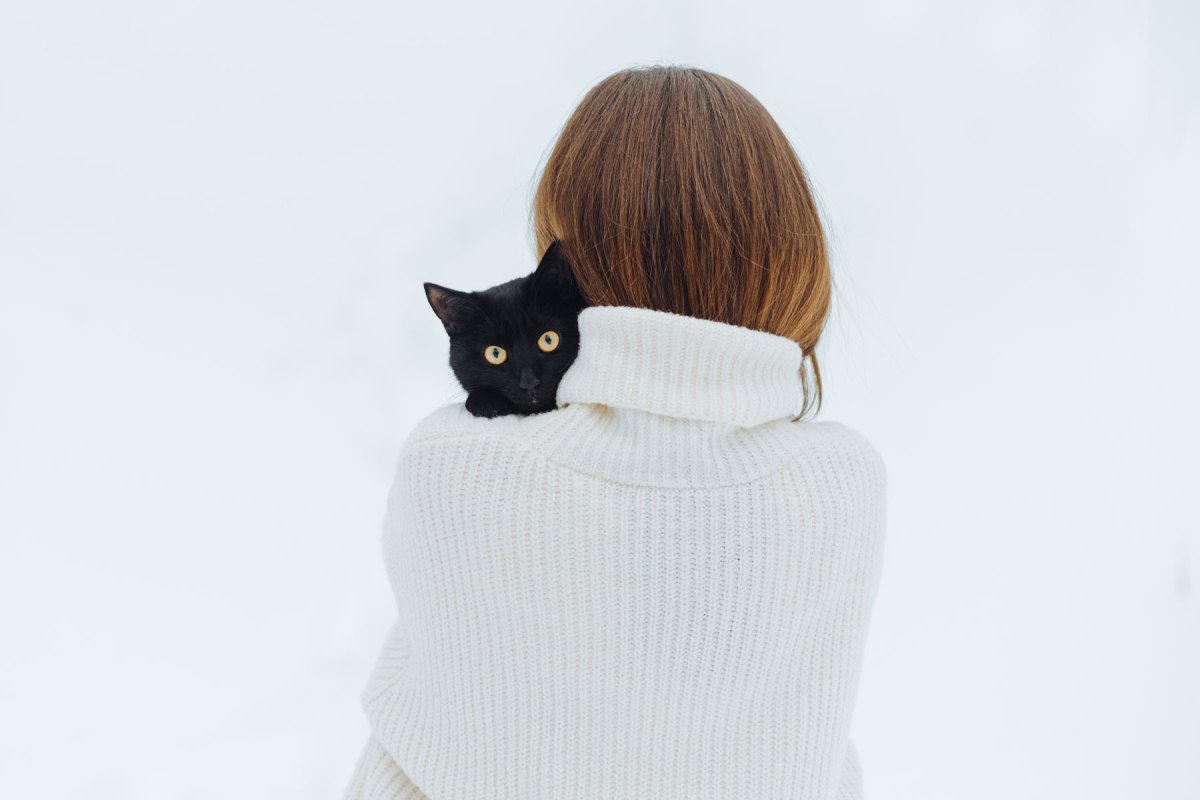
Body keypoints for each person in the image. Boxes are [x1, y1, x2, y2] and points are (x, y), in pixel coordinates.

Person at [342, 64, 887, 800]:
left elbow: (407, 762)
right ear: (790, 253)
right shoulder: (843, 486)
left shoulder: (455, 469)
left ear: (570, 260)